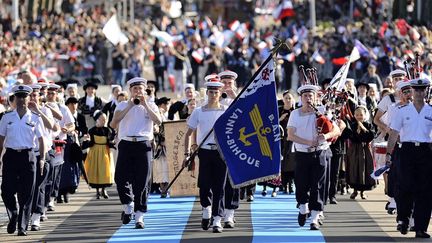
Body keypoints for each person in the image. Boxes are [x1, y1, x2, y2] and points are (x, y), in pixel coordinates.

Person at [287, 83, 340, 230]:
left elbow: (336, 130)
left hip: (320, 153)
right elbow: (290, 135)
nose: (308, 98)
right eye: (305, 96)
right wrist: (308, 142)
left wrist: (326, 136)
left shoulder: (323, 111)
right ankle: (303, 207)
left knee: (319, 185)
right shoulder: (295, 114)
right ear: (301, 98)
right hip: (302, 153)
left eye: (311, 95)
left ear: (316, 97)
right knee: (301, 184)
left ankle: (315, 217)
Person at [110, 77, 161, 229]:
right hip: (126, 143)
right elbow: (113, 124)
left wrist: (145, 104)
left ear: (145, 90)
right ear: (130, 91)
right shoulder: (122, 104)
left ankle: (139, 215)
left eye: (140, 89)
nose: (138, 92)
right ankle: (128, 205)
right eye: (135, 89)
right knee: (120, 178)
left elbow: (158, 121)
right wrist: (130, 106)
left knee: (143, 181)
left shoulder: (151, 104)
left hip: (143, 144)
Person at [386, 78, 432, 239]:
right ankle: (403, 220)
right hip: (406, 151)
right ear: (412, 91)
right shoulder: (403, 111)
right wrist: (388, 154)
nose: (419, 92)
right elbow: (393, 134)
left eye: (422, 89)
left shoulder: (431, 111)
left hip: (426, 151)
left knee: (425, 191)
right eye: (417, 89)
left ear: (426, 91)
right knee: (404, 187)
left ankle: (420, 227)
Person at [182, 76, 227, 233]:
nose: (214, 95)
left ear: (220, 94)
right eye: (211, 92)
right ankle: (206, 209)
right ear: (207, 93)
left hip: (221, 153)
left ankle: (217, 219)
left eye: (216, 92)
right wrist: (187, 154)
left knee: (220, 187)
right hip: (204, 151)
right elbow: (188, 134)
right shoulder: (198, 111)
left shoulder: (226, 111)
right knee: (205, 184)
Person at [0, 84, 46, 236]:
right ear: (15, 98)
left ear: (29, 98)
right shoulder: (7, 117)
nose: (21, 99)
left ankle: (22, 226)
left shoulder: (35, 118)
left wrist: (41, 159)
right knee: (6, 190)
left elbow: (41, 140)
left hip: (28, 156)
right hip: (11, 156)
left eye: (24, 96)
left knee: (27, 193)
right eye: (19, 96)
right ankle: (13, 213)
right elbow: (1, 140)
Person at [344, 106, 376, 199]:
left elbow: (371, 136)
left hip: (365, 149)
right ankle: (354, 191)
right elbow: (350, 136)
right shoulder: (352, 125)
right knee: (354, 169)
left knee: (364, 169)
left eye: (361, 115)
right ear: (354, 115)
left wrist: (364, 130)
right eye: (357, 115)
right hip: (354, 150)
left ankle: (362, 192)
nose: (359, 117)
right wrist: (356, 133)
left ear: (365, 115)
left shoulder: (368, 125)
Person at [83, 110, 115, 199]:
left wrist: (113, 143)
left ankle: (103, 190)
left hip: (104, 151)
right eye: (102, 119)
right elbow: (90, 143)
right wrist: (86, 141)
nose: (104, 121)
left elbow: (109, 141)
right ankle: (97, 191)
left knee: (104, 171)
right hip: (95, 151)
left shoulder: (107, 130)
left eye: (105, 119)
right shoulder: (92, 130)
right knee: (96, 171)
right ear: (97, 120)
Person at [153, 97, 171, 198]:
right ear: (161, 105)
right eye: (166, 104)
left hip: (168, 145)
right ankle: (163, 189)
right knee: (160, 167)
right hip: (160, 145)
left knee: (167, 168)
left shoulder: (166, 115)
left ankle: (166, 189)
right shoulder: (157, 115)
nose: (167, 106)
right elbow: (156, 130)